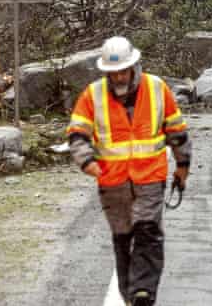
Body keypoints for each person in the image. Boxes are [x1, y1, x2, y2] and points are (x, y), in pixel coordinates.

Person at [66, 36, 191, 306]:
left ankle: (142, 293)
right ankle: (130, 294)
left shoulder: (157, 88)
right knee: (123, 240)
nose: (119, 76)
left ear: (134, 66)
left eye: (123, 70)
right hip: (112, 184)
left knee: (148, 234)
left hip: (150, 178)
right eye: (114, 72)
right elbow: (77, 133)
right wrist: (86, 160)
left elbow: (177, 131)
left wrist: (183, 166)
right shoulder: (93, 94)